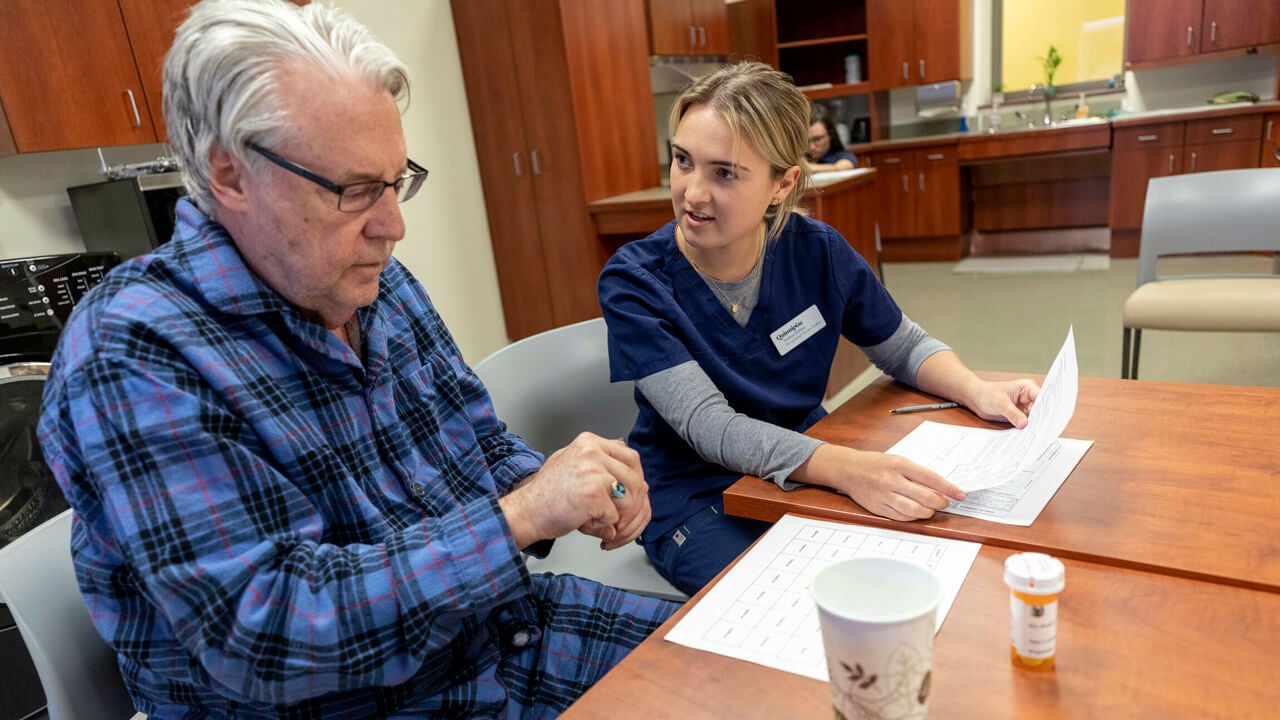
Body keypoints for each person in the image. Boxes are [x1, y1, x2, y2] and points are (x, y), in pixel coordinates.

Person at [37, 1, 676, 716]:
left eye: (396, 181)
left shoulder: (376, 285)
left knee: (771, 666)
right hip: (352, 701)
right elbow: (272, 630)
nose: (394, 226)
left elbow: (474, 443)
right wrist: (522, 515)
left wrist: (569, 489)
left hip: (500, 635)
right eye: (354, 190)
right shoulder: (133, 352)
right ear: (230, 175)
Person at [597, 62, 1039, 596]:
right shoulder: (634, 281)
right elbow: (711, 428)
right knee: (797, 602)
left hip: (809, 461)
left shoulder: (816, 251)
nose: (692, 192)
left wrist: (978, 389)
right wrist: (850, 470)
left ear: (782, 184)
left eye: (724, 173)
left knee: (916, 571)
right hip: (697, 493)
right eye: (683, 161)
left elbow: (903, 346)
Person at [806, 105, 857, 171]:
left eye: (817, 139)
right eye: (806, 141)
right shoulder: (799, 158)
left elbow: (844, 166)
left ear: (831, 134)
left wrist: (808, 167)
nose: (812, 147)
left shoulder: (842, 156)